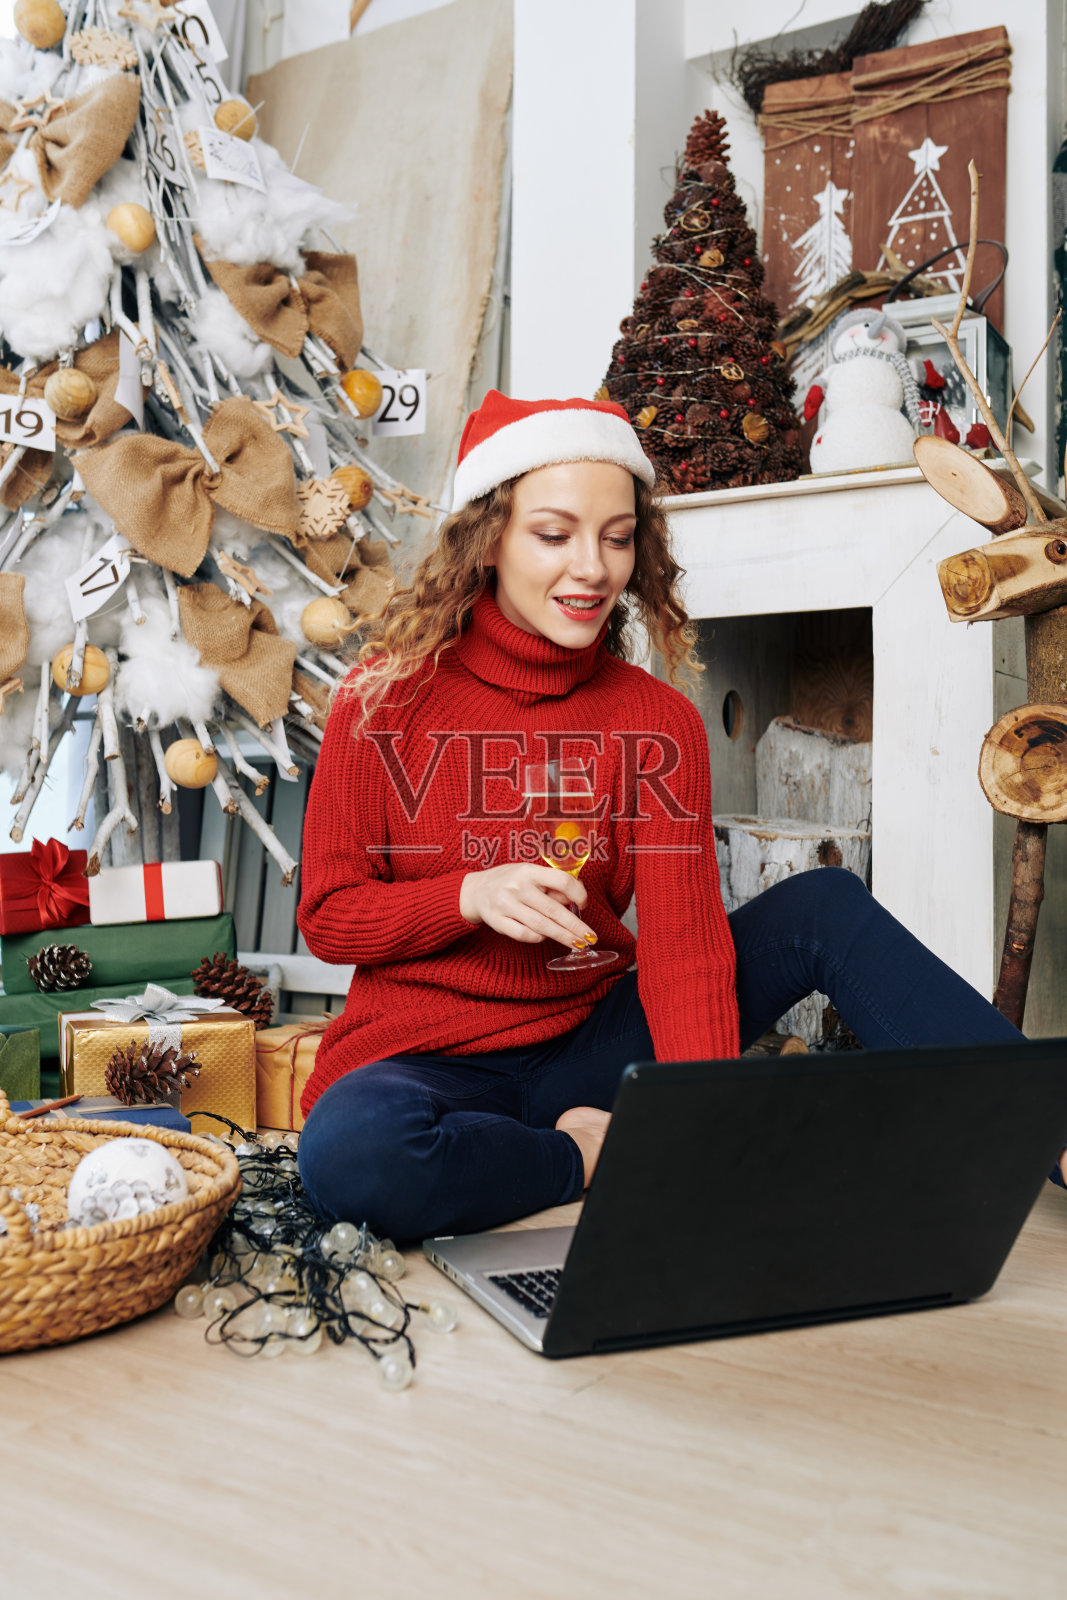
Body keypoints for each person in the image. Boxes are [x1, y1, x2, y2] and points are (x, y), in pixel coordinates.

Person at [295, 390, 1053, 1242]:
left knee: (821, 909)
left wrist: (700, 1130)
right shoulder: (381, 701)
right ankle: (580, 1157)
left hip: (588, 1042)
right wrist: (465, 894)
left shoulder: (651, 720)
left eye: (617, 538)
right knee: (354, 1159)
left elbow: (685, 946)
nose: (591, 568)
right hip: (421, 1065)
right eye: (553, 535)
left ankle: (1049, 1128)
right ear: (487, 538)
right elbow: (329, 917)